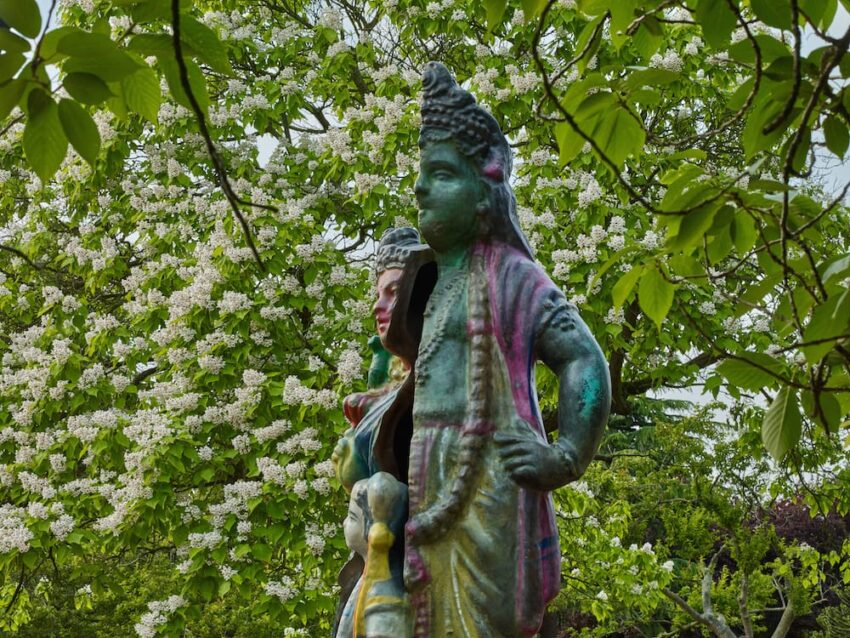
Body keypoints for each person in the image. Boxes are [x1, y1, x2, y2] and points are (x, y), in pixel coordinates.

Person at [403, 62, 611, 638]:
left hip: (490, 479)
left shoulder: (513, 277)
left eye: (441, 174)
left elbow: (583, 359)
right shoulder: (432, 285)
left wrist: (566, 455)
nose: (421, 188)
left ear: (484, 193)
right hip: (430, 476)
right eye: (422, 173)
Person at [336, 472, 410, 638]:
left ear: (372, 529)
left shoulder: (386, 597)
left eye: (352, 517)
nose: (344, 523)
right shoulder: (361, 578)